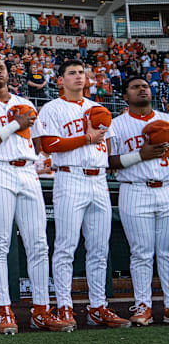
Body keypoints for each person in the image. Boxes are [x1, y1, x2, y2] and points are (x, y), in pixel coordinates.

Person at [0, 59, 71, 334]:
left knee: (38, 243)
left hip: (27, 172)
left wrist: (22, 129)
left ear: (9, 74)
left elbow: (36, 144)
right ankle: (4, 310)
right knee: (0, 242)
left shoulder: (26, 103)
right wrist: (14, 125)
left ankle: (40, 309)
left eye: (2, 68)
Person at [38, 60, 130, 329]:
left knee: (100, 249)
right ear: (60, 80)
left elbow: (109, 145)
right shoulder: (52, 108)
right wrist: (86, 139)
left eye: (81, 72)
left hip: (98, 179)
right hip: (70, 176)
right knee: (66, 246)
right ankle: (65, 306)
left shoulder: (97, 109)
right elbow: (49, 144)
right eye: (72, 73)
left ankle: (97, 306)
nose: (78, 77)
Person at [108, 76, 169, 326]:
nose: (142, 89)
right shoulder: (117, 124)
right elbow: (109, 162)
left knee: (167, 252)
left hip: (166, 188)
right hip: (134, 188)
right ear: (125, 96)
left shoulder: (166, 119)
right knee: (141, 253)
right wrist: (139, 156)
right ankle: (143, 305)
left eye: (145, 86)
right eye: (135, 87)